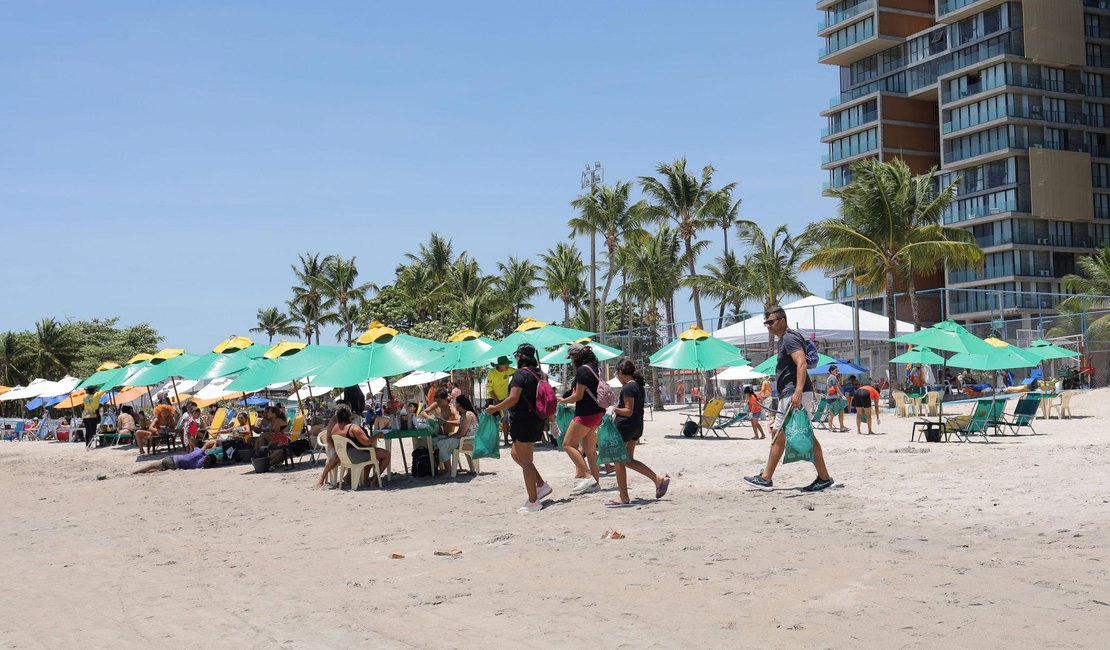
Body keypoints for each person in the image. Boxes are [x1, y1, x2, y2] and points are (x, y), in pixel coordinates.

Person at [744, 305, 835, 493]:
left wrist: (798, 391)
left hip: (795, 392)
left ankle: (768, 478)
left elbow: (801, 363)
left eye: (771, 322)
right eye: (765, 323)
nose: (768, 325)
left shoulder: (789, 338)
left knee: (793, 434)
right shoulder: (784, 339)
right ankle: (768, 477)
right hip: (790, 392)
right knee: (780, 432)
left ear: (782, 321)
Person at [485, 343, 552, 513]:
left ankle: (533, 501)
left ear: (521, 356)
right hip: (535, 419)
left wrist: (494, 408)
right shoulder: (540, 374)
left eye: (516, 355)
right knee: (517, 455)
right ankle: (541, 485)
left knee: (525, 461)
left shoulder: (520, 375)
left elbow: (513, 398)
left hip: (524, 420)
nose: (514, 358)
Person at [606, 359, 669, 507]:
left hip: (626, 426)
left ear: (621, 372)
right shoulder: (638, 385)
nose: (618, 377)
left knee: (619, 460)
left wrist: (613, 408)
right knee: (628, 459)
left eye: (617, 374)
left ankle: (624, 496)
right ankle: (658, 479)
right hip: (637, 427)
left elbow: (628, 411)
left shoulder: (628, 388)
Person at [557, 343, 605, 496]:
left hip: (585, 414)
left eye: (571, 357)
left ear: (576, 356)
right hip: (598, 412)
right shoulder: (595, 368)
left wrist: (562, 401)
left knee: (567, 444)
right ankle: (595, 483)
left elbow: (578, 396)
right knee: (590, 449)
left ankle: (587, 476)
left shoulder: (582, 370)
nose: (571, 360)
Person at [331, 406, 390, 487]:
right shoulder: (353, 428)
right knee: (386, 455)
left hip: (343, 456)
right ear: (349, 416)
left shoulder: (335, 428)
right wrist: (377, 436)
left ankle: (356, 478)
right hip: (355, 456)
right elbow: (367, 442)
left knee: (371, 452)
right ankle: (374, 480)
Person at [434, 394, 478, 475]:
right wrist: (448, 438)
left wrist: (448, 439)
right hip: (463, 440)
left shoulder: (468, 414)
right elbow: (459, 433)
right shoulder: (463, 415)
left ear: (460, 404)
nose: (454, 404)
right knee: (442, 442)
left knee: (443, 444)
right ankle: (448, 469)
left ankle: (449, 471)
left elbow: (462, 433)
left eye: (455, 403)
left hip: (468, 441)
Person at [133, 439, 220, 473]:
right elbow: (218, 461)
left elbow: (209, 444)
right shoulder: (201, 465)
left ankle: (134, 472)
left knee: (150, 465)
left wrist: (215, 443)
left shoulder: (198, 453)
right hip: (176, 466)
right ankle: (151, 471)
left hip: (172, 460)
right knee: (159, 468)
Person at [487, 355, 515, 446]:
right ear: (500, 365)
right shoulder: (492, 373)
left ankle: (506, 441)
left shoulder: (508, 370)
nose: (508, 366)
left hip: (504, 399)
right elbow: (490, 389)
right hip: (492, 398)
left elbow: (519, 372)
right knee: (492, 421)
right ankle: (492, 442)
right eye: (506, 364)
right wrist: (497, 401)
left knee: (505, 420)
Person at [825, 365, 848, 432]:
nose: (837, 372)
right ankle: (838, 427)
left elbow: (836, 386)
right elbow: (836, 387)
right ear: (831, 371)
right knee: (837, 411)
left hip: (829, 397)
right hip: (833, 397)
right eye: (836, 370)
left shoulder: (830, 377)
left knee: (837, 411)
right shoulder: (833, 377)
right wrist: (842, 395)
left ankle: (836, 427)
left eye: (838, 370)